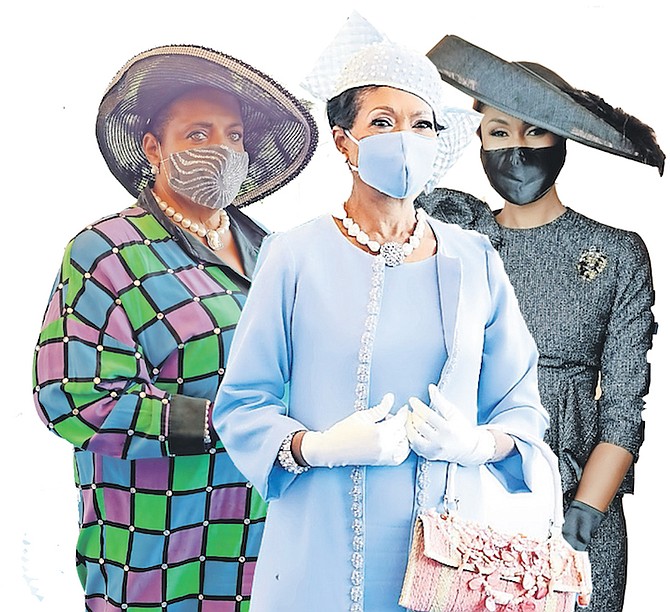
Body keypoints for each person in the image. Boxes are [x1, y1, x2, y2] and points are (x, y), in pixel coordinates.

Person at [212, 14, 550, 612]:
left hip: (449, 559)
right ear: (345, 141)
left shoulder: (474, 259)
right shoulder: (292, 254)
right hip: (316, 551)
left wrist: (477, 445)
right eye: (383, 122)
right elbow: (242, 403)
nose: (405, 138)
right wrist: (314, 448)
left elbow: (519, 404)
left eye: (421, 124)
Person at [32, 44, 317, 611]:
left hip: (272, 541)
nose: (221, 149)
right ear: (153, 149)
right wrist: (234, 422)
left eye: (234, 136)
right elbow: (71, 399)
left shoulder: (276, 253)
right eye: (198, 134)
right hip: (159, 547)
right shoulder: (107, 252)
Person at [418, 35, 664, 612]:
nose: (516, 150)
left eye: (535, 131)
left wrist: (587, 509)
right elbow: (387, 194)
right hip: (464, 486)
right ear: (476, 140)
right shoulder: (453, 230)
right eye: (498, 133)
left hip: (576, 492)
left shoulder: (617, 252)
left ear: (563, 142)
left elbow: (625, 404)